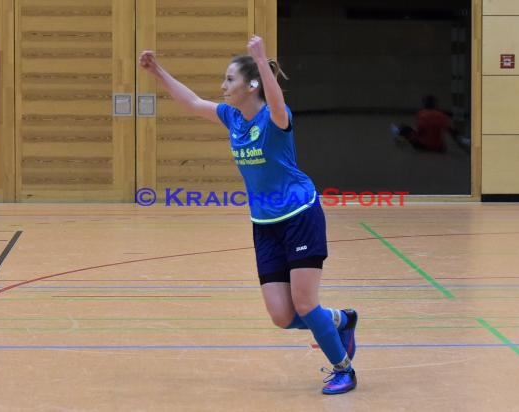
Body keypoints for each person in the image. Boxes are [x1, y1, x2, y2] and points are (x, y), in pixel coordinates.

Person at [139, 36, 358, 395]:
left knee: (305, 303)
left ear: (251, 84)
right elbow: (192, 103)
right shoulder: (232, 118)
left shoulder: (276, 118)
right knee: (283, 316)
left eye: (230, 80)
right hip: (264, 224)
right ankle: (343, 320)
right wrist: (158, 71)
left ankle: (343, 369)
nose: (223, 87)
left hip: (300, 214)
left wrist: (259, 58)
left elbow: (275, 101)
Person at [391, 94, 470, 153]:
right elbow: (451, 131)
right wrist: (461, 141)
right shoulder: (442, 115)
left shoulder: (421, 114)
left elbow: (419, 132)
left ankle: (398, 133)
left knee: (404, 128)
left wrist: (410, 136)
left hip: (422, 146)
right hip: (439, 148)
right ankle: (466, 142)